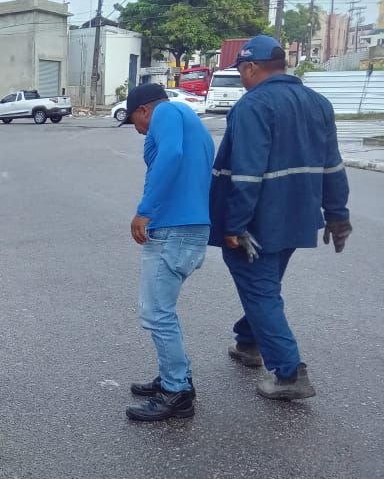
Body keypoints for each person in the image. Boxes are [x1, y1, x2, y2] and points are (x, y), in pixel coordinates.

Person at [210, 34, 352, 400]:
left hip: (258, 224)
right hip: (298, 218)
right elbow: (333, 164)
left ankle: (289, 372)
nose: (241, 77)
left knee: (260, 291)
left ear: (252, 67)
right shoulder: (318, 103)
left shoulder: (253, 106)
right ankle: (248, 341)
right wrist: (337, 214)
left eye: (241, 70)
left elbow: (246, 174)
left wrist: (235, 225)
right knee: (264, 287)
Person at [119, 83, 214, 422]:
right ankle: (173, 377)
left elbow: (171, 155)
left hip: (174, 229)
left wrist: (146, 209)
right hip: (188, 229)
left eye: (135, 121)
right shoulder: (188, 119)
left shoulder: (168, 112)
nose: (138, 128)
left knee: (157, 313)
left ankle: (177, 392)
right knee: (162, 312)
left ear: (145, 109)